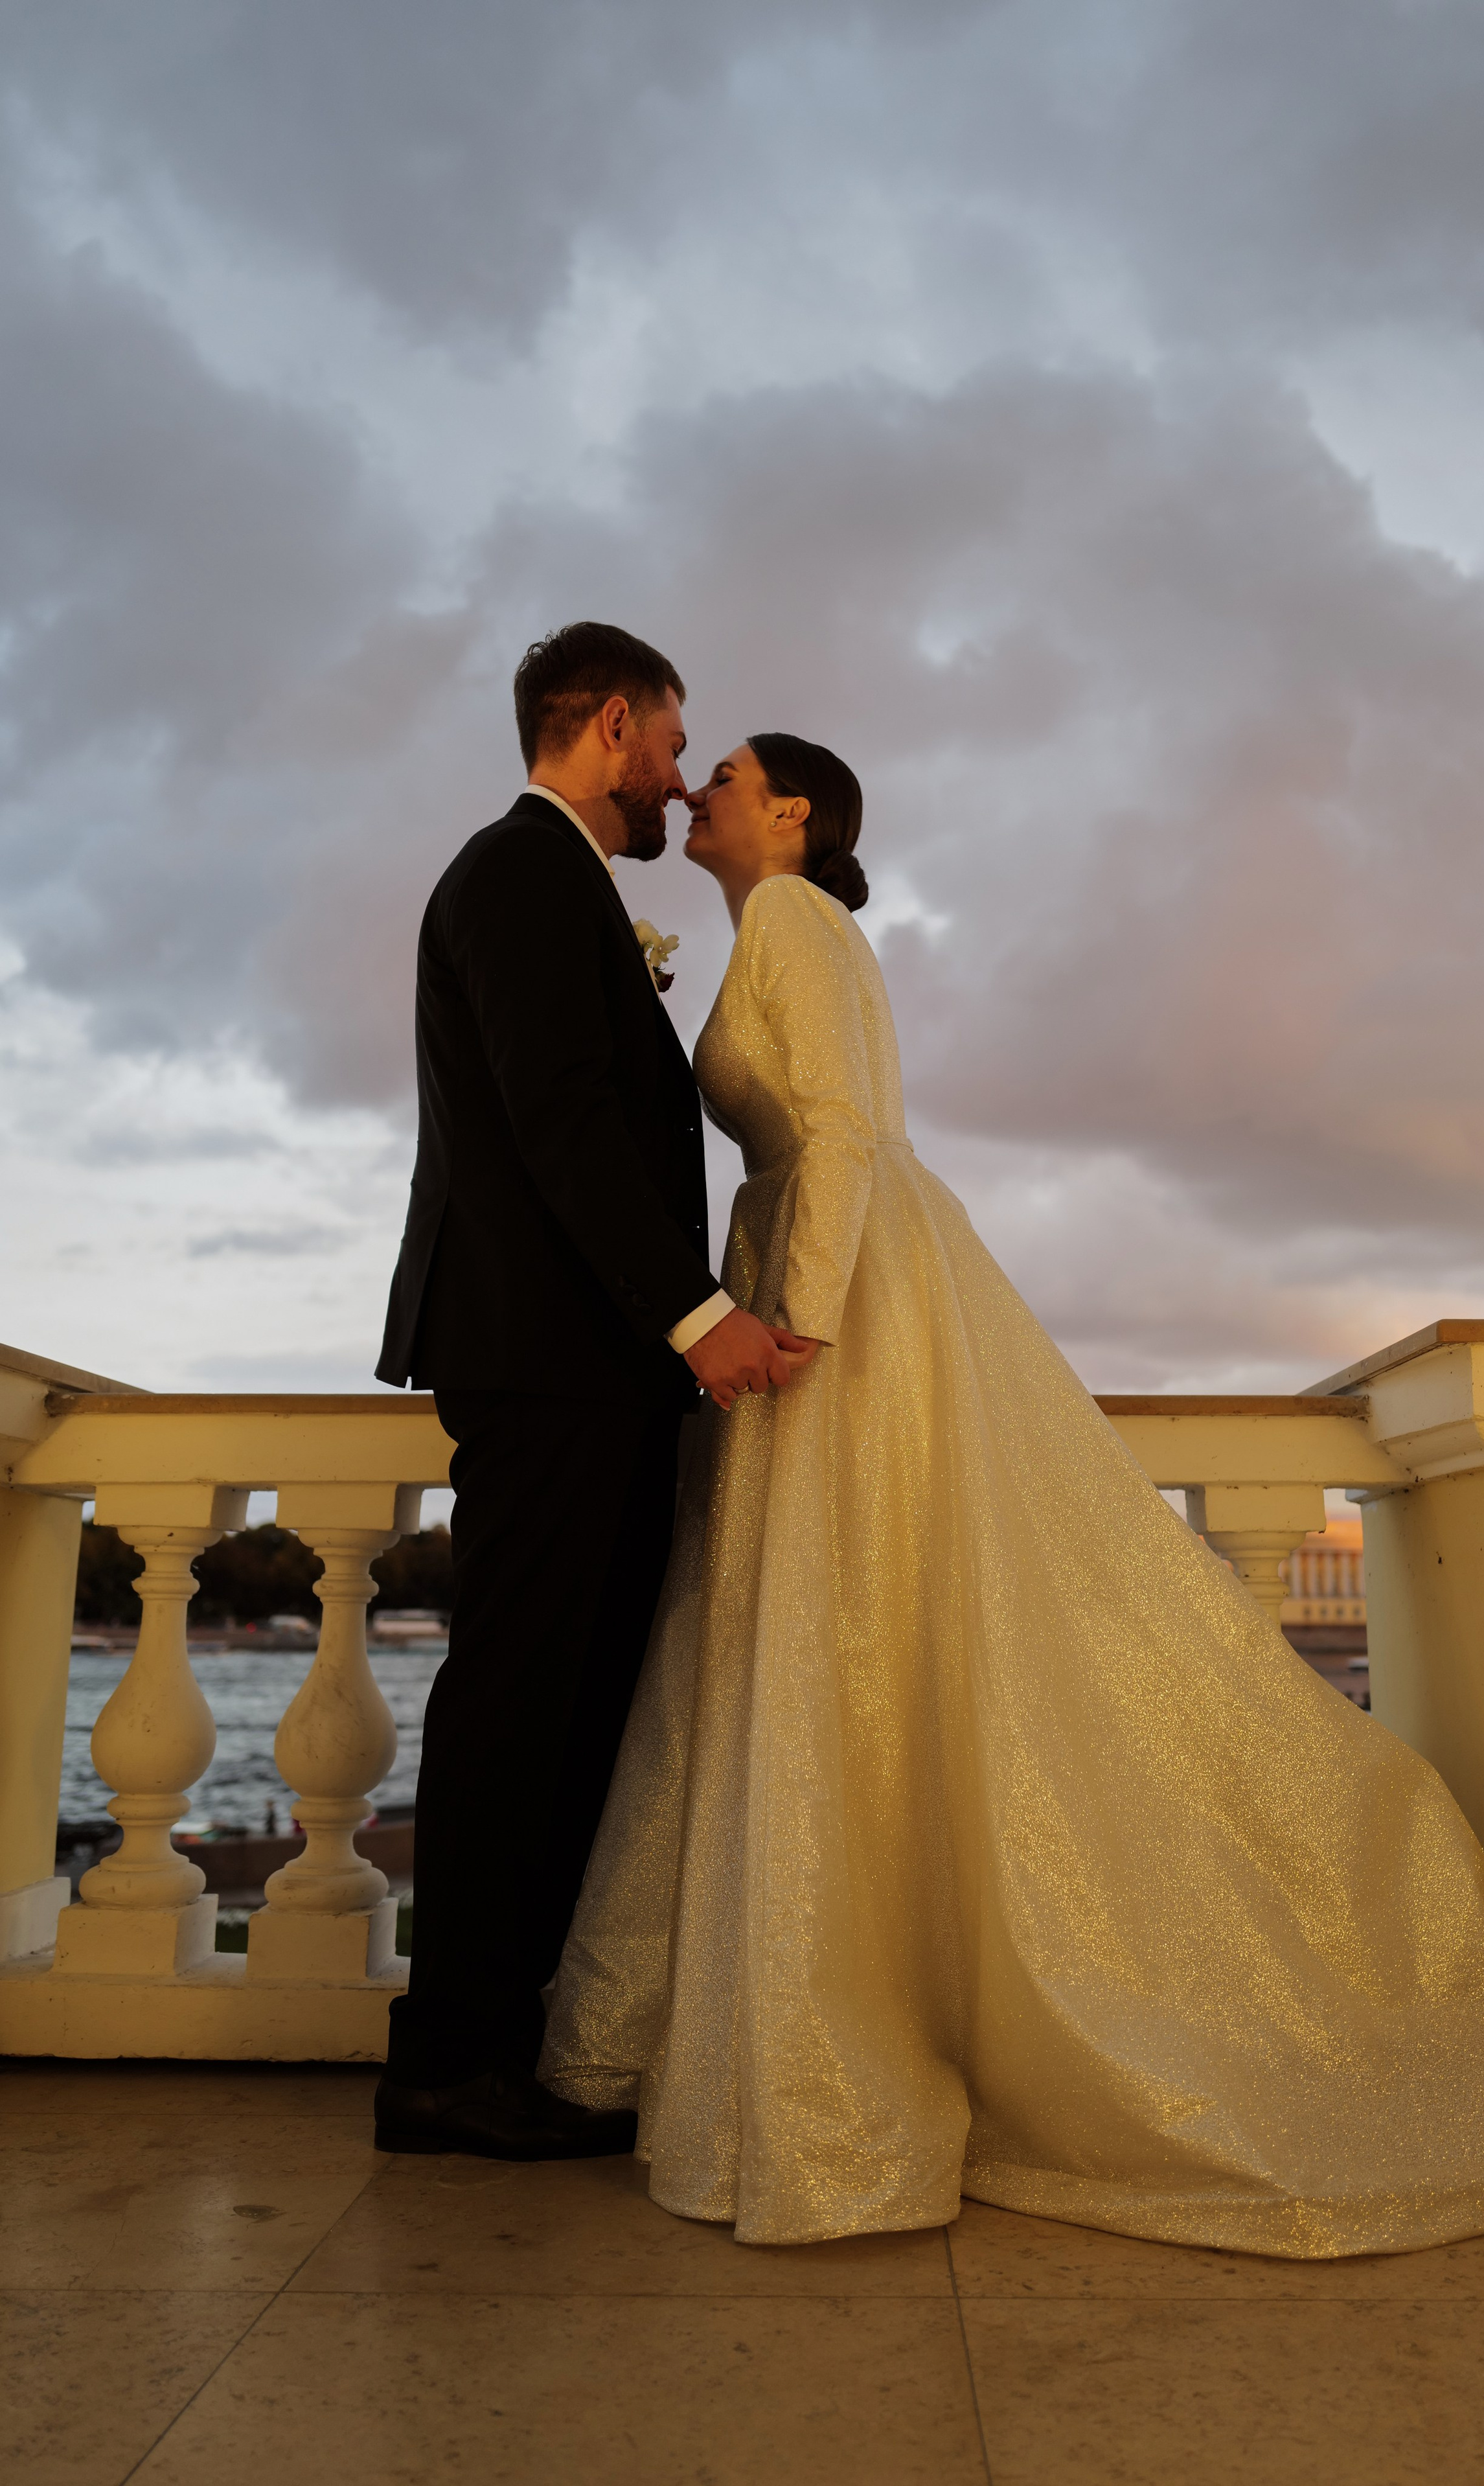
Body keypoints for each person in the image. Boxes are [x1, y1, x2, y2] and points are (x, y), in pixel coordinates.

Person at [541, 731, 1484, 2257]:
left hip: (836, 1287)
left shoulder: (796, 919)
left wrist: (797, 1317)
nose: (697, 789)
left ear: (794, 811)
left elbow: (838, 1131)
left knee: (837, 1618)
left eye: (727, 772)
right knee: (834, 1627)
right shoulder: (785, 927)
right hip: (830, 1259)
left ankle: (835, 2051)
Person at [372, 625, 813, 2161]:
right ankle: (448, 2062)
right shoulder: (517, 874)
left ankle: (508, 2041)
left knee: (568, 1710)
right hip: (545, 1359)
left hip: (586, 1363)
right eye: (673, 745)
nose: (680, 780)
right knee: (517, 1704)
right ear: (612, 725)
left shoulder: (555, 883)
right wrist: (697, 1315)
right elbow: (557, 1119)